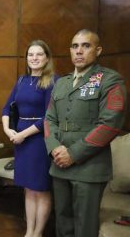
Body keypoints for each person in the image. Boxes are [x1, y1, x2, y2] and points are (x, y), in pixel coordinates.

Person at [45, 29, 127, 237]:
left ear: (98, 50)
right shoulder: (61, 83)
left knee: (85, 226)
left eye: (86, 46)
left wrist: (73, 154)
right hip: (59, 163)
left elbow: (110, 125)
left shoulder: (109, 80)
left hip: (89, 166)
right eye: (75, 46)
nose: (79, 51)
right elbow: (49, 120)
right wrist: (55, 148)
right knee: (62, 222)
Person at [2, 40, 56, 237]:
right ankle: (29, 232)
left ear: (47, 58)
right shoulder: (22, 81)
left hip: (39, 139)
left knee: (40, 188)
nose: (34, 58)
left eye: (39, 54)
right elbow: (7, 107)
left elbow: (49, 116)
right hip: (20, 139)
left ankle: (38, 233)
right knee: (28, 188)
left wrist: (23, 134)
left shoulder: (52, 81)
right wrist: (8, 130)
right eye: (30, 54)